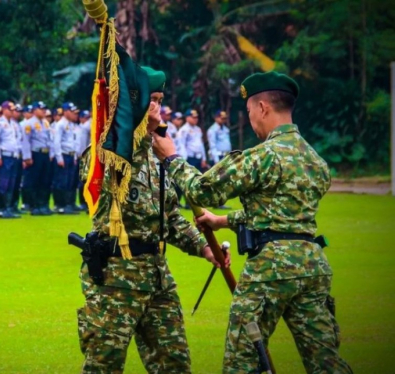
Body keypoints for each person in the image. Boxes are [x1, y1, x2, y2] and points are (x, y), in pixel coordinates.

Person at [151, 71, 353, 374]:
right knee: (325, 360)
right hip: (313, 268)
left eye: (248, 112)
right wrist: (222, 220)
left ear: (262, 108)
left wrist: (172, 158)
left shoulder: (262, 157)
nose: (251, 120)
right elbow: (281, 214)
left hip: (271, 270)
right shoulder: (315, 161)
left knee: (242, 361)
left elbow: (201, 190)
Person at [77, 67, 220, 374]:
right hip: (115, 280)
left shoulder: (158, 156)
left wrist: (204, 248)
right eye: (150, 100)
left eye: (160, 100)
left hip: (156, 277)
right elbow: (103, 186)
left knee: (175, 364)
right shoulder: (106, 151)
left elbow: (168, 217)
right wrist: (141, 135)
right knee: (103, 365)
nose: (157, 108)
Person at [21, 101, 53, 216]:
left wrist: (51, 154)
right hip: (35, 153)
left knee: (45, 181)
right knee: (34, 180)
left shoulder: (45, 123)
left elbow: (50, 140)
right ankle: (34, 206)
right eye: (41, 109)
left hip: (45, 153)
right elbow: (26, 141)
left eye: (44, 109)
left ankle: (43, 204)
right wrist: (27, 157)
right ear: (34, 110)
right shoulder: (29, 124)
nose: (44, 111)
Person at [0, 101, 22, 219]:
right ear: (4, 110)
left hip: (13, 155)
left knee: (12, 183)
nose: (12, 112)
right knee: (3, 182)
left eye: (13, 110)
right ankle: (1, 208)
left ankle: (8, 207)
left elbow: (17, 140)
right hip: (4, 155)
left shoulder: (14, 124)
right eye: (10, 110)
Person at [52, 102, 80, 215]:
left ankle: (69, 204)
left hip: (71, 155)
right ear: (66, 112)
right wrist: (59, 157)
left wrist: (75, 156)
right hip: (63, 155)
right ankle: (60, 205)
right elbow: (57, 142)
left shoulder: (72, 125)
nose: (75, 115)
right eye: (73, 112)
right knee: (62, 181)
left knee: (70, 181)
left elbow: (74, 142)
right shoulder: (60, 124)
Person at [75, 109, 91, 212]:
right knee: (85, 180)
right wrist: (81, 156)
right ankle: (84, 203)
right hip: (88, 156)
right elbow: (82, 143)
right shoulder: (87, 126)